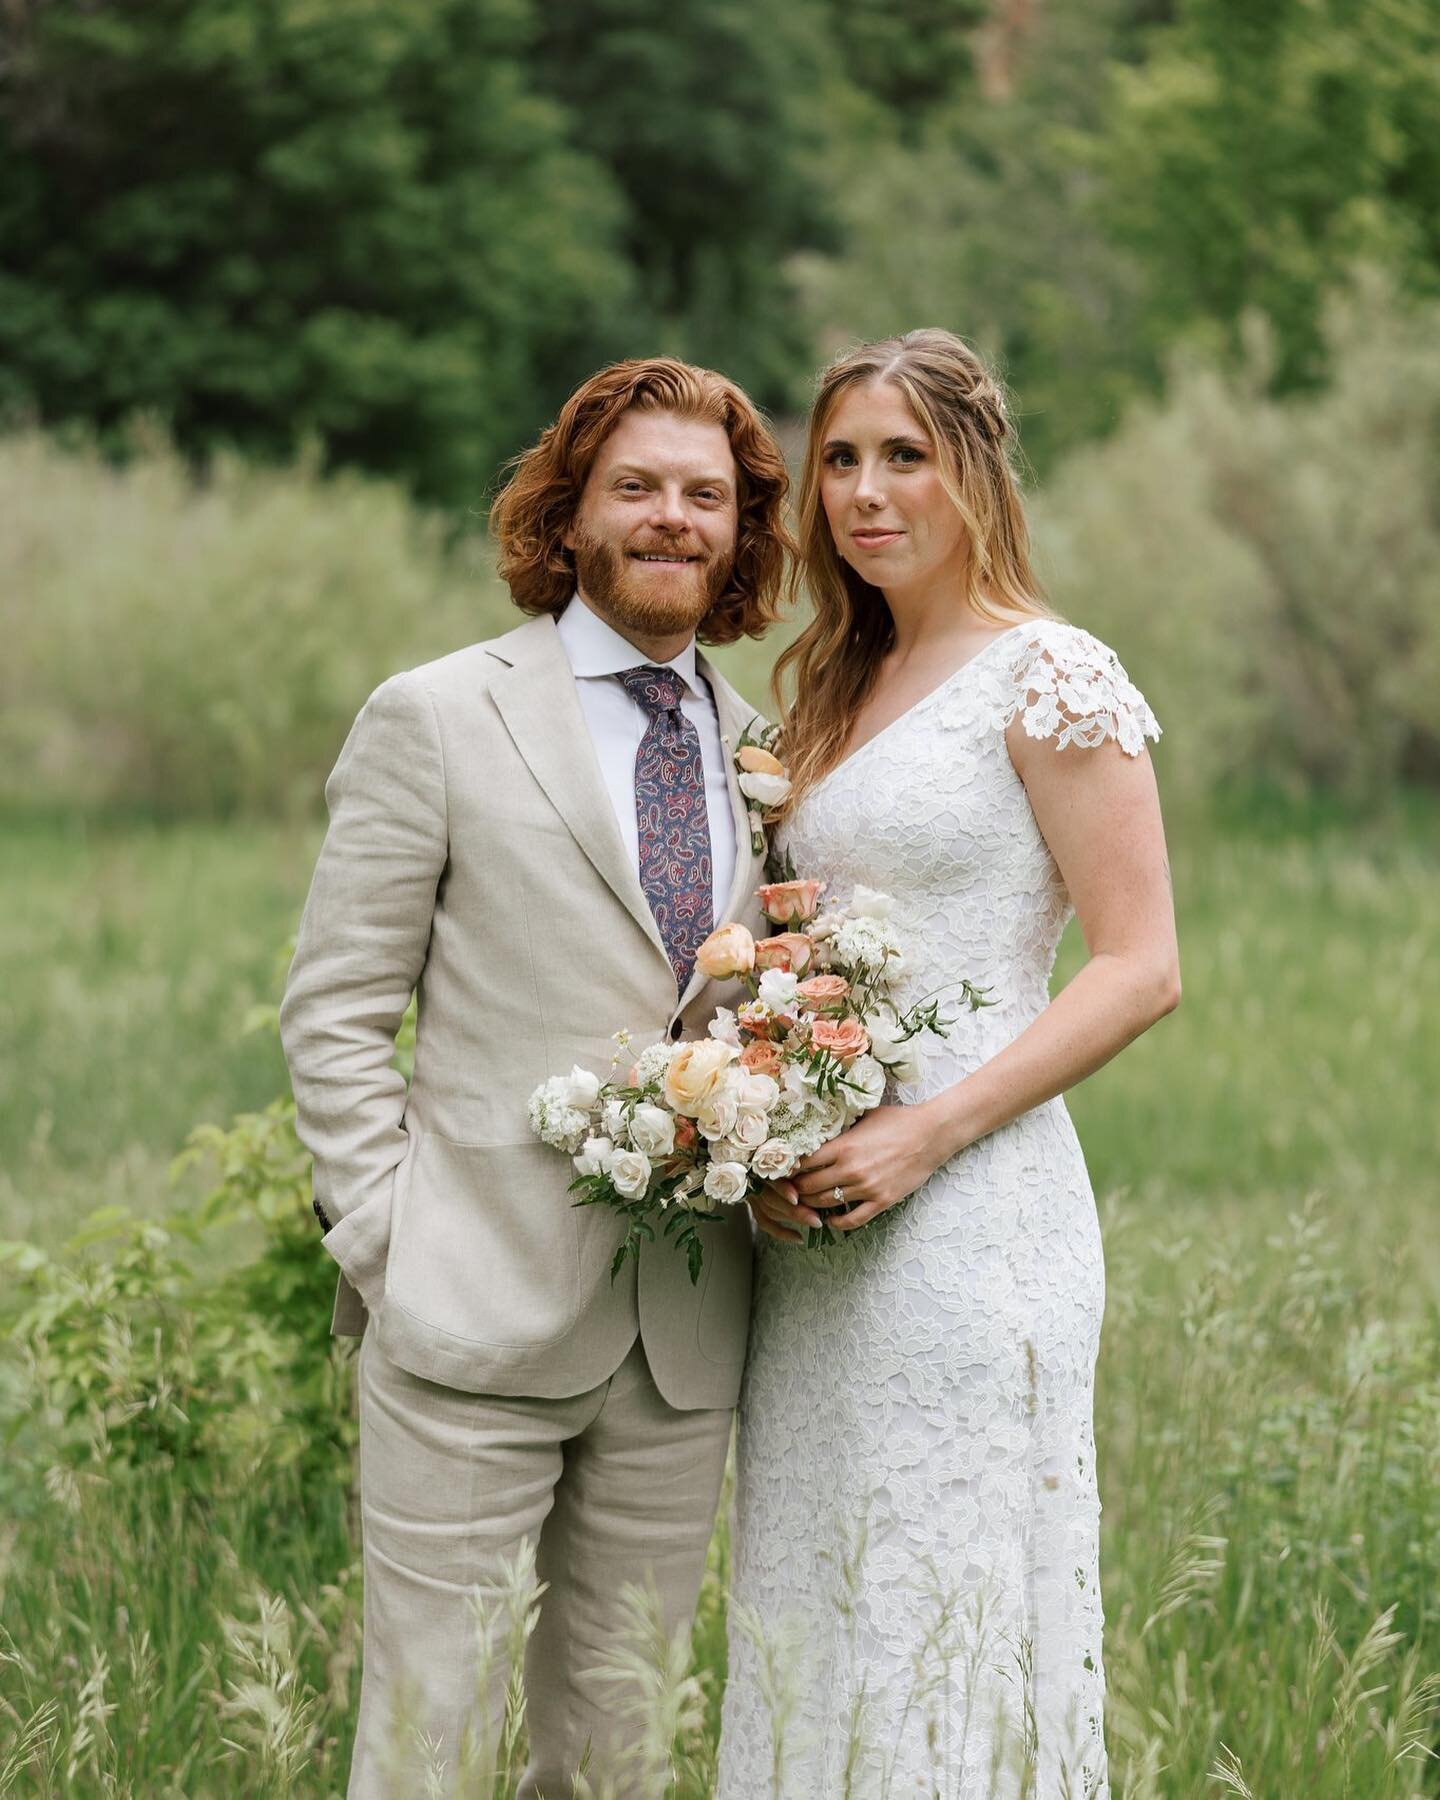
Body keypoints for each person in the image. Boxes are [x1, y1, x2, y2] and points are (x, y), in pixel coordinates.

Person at [279, 357, 792, 1797]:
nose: (673, 519)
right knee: (429, 1745)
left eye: (708, 496)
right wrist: (392, 1241)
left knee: (618, 1753)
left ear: (744, 536)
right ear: (568, 519)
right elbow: (333, 1011)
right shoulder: (436, 716)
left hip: (682, 1339)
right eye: (637, 487)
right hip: (464, 1316)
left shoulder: (766, 750)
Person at [719, 329, 1180, 1798]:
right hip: (819, 1234)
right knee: (818, 1602)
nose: (864, 491)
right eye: (840, 458)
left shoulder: (1048, 674)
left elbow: (1140, 964)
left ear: (974, 469)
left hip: (975, 1209)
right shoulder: (833, 689)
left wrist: (928, 1135)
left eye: (902, 455)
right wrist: (756, 1146)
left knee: (945, 1596)